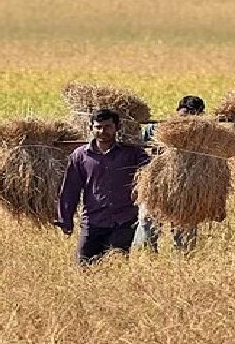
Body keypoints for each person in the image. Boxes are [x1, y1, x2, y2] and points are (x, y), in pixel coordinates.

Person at [56, 108, 151, 266]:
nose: (102, 131)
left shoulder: (132, 153)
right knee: (83, 266)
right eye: (98, 127)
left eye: (107, 127)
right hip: (92, 221)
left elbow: (151, 172)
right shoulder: (80, 155)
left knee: (115, 266)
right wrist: (65, 219)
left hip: (123, 221)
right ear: (91, 128)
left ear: (117, 127)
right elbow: (70, 189)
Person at [135, 95, 206, 253]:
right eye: (184, 115)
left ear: (201, 116)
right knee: (148, 222)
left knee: (185, 225)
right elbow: (140, 148)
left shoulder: (204, 135)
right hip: (156, 184)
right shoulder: (156, 128)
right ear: (177, 112)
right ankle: (145, 256)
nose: (186, 120)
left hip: (187, 186)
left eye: (193, 116)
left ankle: (184, 258)